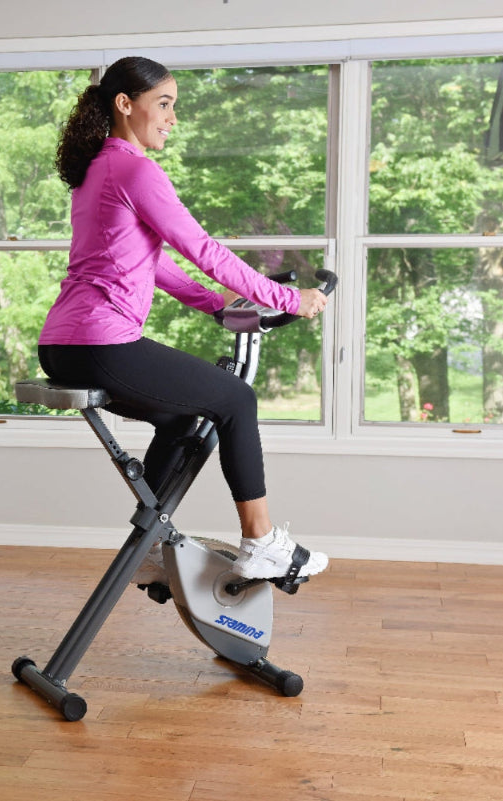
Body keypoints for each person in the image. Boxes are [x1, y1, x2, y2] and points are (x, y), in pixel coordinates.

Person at [38, 56, 330, 581]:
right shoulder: (134, 168)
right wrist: (289, 300)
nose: (173, 118)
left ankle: (149, 540)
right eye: (164, 105)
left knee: (179, 420)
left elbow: (154, 264)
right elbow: (203, 250)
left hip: (62, 344)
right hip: (102, 342)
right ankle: (261, 542)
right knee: (236, 398)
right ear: (125, 105)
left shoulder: (98, 169)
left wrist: (217, 307)